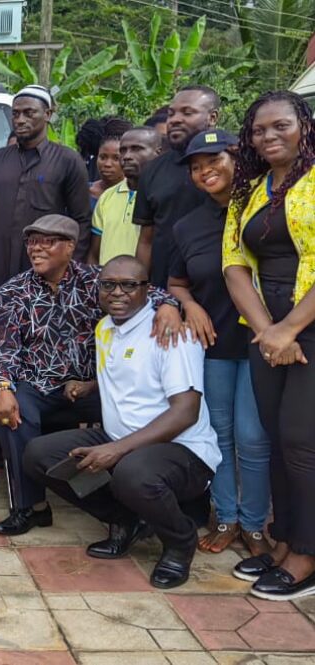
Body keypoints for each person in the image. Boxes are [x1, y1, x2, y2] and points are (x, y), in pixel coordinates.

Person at [25, 255, 219, 589]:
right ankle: (124, 520)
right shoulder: (106, 328)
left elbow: (186, 410)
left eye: (129, 285)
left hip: (181, 450)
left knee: (133, 472)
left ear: (147, 290)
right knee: (39, 454)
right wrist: (91, 386)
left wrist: (116, 450)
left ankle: (179, 540)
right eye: (108, 284)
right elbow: (133, 374)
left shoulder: (170, 333)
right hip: (120, 438)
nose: (118, 292)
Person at [0, 214, 182, 535]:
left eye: (46, 242)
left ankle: (135, 500)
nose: (36, 249)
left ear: (70, 247)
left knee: (137, 413)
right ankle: (31, 506)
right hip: (38, 385)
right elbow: (5, 348)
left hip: (96, 386)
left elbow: (148, 292)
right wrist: (3, 387)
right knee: (13, 414)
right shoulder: (13, 292)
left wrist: (169, 306)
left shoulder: (98, 281)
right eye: (31, 242)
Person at [223, 91, 315, 601]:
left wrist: (291, 328)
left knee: (304, 442)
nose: (268, 136)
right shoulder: (250, 191)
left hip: (308, 327)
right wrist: (267, 330)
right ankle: (285, 542)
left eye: (280, 126)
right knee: (278, 440)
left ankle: (308, 552)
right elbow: (234, 264)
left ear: (303, 126)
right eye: (259, 130)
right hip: (267, 330)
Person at [168, 129, 270, 556]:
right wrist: (188, 304)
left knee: (252, 437)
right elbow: (176, 282)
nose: (204, 171)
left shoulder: (266, 210)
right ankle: (226, 517)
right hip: (214, 345)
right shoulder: (189, 225)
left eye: (213, 161)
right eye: (195, 167)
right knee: (219, 433)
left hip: (263, 342)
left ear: (236, 157)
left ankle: (255, 525)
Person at [0, 85, 92, 322]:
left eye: (28, 113)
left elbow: (81, 220)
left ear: (47, 114)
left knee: (42, 329)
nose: (20, 120)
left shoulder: (67, 160)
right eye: (15, 114)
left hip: (46, 268)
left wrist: (69, 270)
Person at [134, 86, 220, 287]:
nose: (174, 119)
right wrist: (139, 287)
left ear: (213, 117)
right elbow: (146, 239)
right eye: (171, 113)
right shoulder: (152, 170)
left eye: (187, 112)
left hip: (222, 289)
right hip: (165, 289)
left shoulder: (233, 163)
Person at [90, 127, 162, 265]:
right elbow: (94, 253)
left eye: (137, 149)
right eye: (123, 150)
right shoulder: (107, 197)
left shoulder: (163, 197)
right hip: (108, 283)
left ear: (157, 153)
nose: (127, 156)